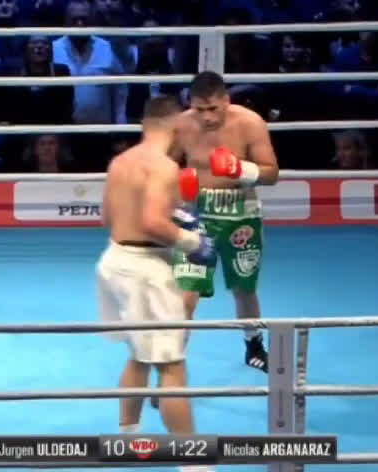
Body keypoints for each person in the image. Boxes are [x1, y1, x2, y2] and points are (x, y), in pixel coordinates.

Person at [95, 95, 215, 472]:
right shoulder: (163, 166)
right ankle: (194, 463)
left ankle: (127, 436)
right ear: (175, 125)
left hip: (114, 260)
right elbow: (151, 223)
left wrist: (169, 218)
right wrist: (193, 242)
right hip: (144, 270)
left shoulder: (120, 162)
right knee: (172, 367)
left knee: (138, 353)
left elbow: (106, 217)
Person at [148, 71, 278, 410]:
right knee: (186, 296)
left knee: (243, 289)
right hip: (196, 216)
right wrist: (174, 183)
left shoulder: (250, 123)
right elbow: (160, 165)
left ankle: (253, 344)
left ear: (226, 100)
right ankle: (169, 373)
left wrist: (240, 169)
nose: (207, 117)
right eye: (200, 109)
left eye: (213, 109)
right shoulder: (181, 125)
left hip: (241, 215)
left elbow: (271, 173)